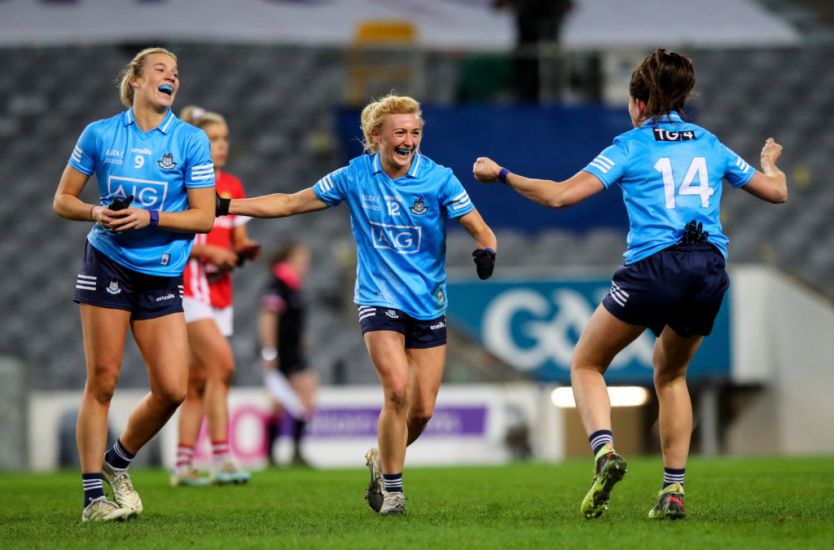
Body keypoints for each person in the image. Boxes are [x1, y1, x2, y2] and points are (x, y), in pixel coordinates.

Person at [473, 48, 787, 520]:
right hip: (708, 267)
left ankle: (603, 451)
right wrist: (770, 163)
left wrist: (500, 174)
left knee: (586, 363)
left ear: (638, 103)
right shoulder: (709, 142)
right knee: (672, 374)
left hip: (654, 267)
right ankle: (673, 492)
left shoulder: (629, 145)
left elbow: (560, 197)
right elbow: (777, 192)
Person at [216, 94, 498, 515]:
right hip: (378, 299)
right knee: (397, 390)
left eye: (415, 132)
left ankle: (381, 461)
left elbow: (481, 228)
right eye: (400, 132)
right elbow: (290, 202)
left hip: (428, 304)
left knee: (421, 411)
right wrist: (225, 206)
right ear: (375, 136)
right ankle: (394, 491)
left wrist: (486, 250)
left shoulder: (439, 179)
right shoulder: (354, 176)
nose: (409, 140)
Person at [52, 47, 216, 522]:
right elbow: (62, 199)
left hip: (161, 271)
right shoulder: (100, 134)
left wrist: (152, 216)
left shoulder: (189, 140)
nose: (172, 79)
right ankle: (92, 500)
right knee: (102, 381)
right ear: (137, 80)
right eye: (162, 71)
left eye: (177, 74)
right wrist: (95, 211)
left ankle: (116, 460)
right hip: (108, 261)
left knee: (172, 388)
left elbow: (204, 217)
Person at [171, 107, 261, 487]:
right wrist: (208, 253)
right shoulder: (180, 182)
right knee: (223, 366)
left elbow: (236, 238)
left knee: (199, 383)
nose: (221, 146)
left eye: (224, 139)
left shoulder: (232, 187)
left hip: (220, 291)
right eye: (212, 139)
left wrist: (244, 249)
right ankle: (222, 458)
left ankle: (183, 465)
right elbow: (169, 234)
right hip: (189, 287)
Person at [259, 243, 316, 467]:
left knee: (283, 402)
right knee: (299, 395)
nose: (305, 264)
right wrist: (270, 351)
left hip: (292, 351)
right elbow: (267, 319)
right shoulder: (277, 285)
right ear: (288, 259)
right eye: (301, 259)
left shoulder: (293, 287)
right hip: (281, 353)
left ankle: (281, 453)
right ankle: (291, 452)